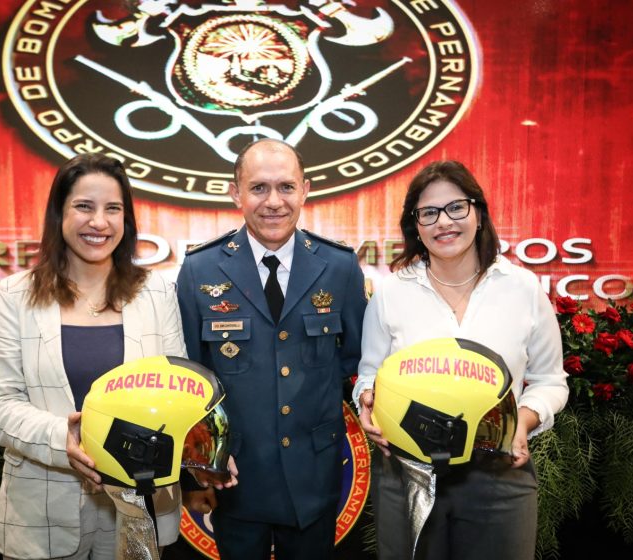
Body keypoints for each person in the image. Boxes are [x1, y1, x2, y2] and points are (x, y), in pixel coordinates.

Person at [353, 160, 569, 560]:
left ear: (478, 212)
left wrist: (520, 423)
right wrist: (366, 400)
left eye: (456, 207)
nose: (443, 223)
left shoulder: (521, 288)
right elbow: (369, 376)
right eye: (428, 213)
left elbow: (550, 381)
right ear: (414, 225)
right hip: (408, 473)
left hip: (498, 470)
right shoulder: (391, 293)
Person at [0, 153, 187, 559]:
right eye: (84, 207)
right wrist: (64, 439)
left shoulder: (157, 292)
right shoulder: (14, 295)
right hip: (40, 513)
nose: (99, 222)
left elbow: (176, 393)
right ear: (60, 214)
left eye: (113, 209)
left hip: (138, 508)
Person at [176, 138, 368, 560]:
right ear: (236, 193)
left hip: (314, 477)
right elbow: (189, 379)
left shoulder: (338, 267)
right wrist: (196, 470)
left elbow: (357, 363)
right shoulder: (199, 270)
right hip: (237, 478)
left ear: (305, 190)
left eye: (286, 187)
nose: (274, 202)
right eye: (259, 187)